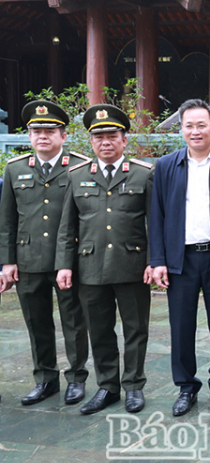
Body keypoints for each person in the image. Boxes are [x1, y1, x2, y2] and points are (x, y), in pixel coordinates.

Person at [150, 99, 210, 417]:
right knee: (181, 325)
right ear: (181, 129)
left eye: (201, 124)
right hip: (181, 259)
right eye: (189, 125)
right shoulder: (165, 166)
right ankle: (186, 387)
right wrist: (158, 260)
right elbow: (157, 216)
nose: (195, 131)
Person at [55, 104, 154, 415]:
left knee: (135, 328)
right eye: (99, 137)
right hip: (91, 266)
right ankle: (108, 386)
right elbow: (66, 226)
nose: (106, 142)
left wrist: (154, 261)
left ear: (124, 140)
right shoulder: (77, 175)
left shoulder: (143, 174)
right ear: (91, 142)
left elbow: (156, 224)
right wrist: (64, 264)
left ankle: (134, 386)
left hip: (132, 265)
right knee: (99, 329)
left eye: (112, 136)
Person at [0, 101, 89, 407]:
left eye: (50, 131)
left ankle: (76, 378)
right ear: (28, 136)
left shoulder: (79, 167)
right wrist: (7, 261)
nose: (42, 136)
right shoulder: (15, 169)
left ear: (63, 135)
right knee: (36, 321)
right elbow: (7, 220)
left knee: (74, 321)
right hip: (29, 259)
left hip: (69, 260)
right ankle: (45, 379)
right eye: (36, 131)